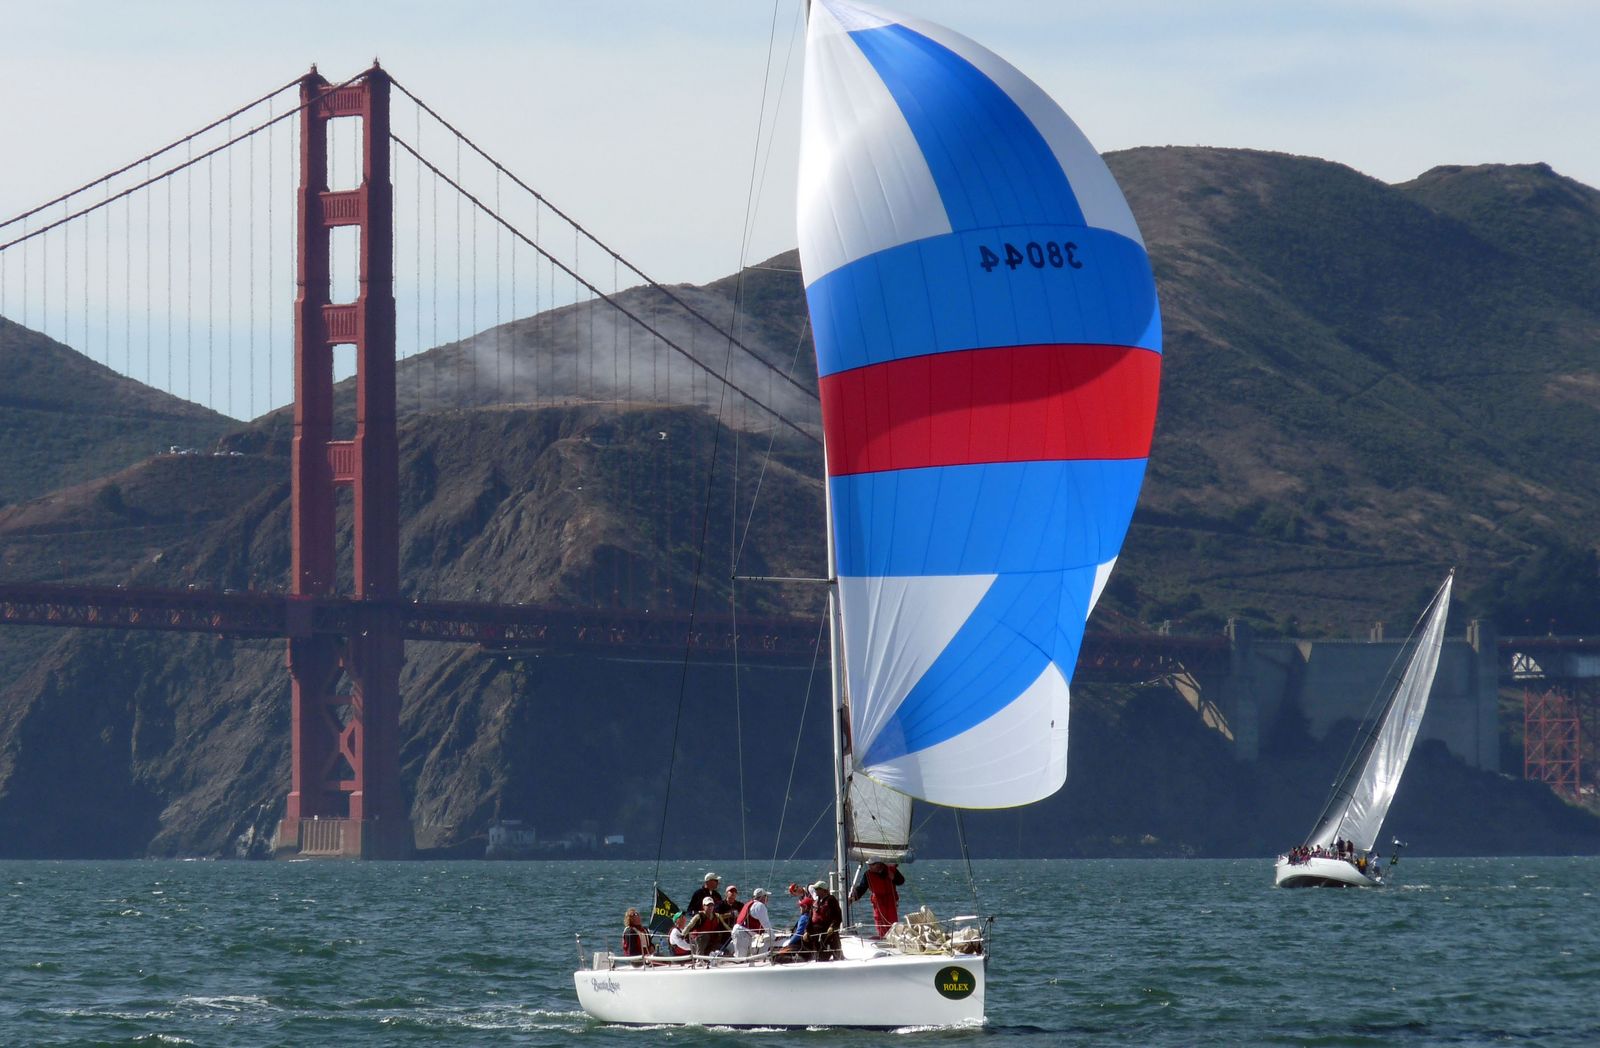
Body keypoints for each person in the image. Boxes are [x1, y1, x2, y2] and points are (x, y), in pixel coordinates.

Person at [849, 861, 906, 937]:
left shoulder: (891, 870)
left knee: (892, 919)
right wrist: (853, 897)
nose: (870, 867)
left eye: (872, 865)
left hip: (891, 899)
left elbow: (901, 881)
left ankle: (893, 937)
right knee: (879, 920)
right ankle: (882, 936)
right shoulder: (868, 874)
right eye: (869, 865)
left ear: (879, 864)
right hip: (878, 900)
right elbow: (862, 888)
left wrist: (894, 878)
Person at [773, 883, 814, 962]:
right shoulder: (805, 915)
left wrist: (789, 943)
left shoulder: (804, 918)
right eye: (795, 890)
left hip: (802, 945)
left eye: (797, 887)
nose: (798, 889)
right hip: (805, 943)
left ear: (805, 907)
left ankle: (798, 959)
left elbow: (799, 933)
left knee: (776, 957)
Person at [807, 880, 843, 962]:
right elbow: (810, 917)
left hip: (828, 932)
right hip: (817, 933)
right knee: (819, 956)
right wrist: (807, 931)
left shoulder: (831, 900)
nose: (815, 890)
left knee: (837, 954)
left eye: (817, 889)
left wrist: (832, 927)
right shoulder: (816, 901)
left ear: (823, 890)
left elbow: (837, 916)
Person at [731, 887, 772, 959]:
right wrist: (773, 937)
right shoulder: (760, 905)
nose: (767, 899)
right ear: (762, 897)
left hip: (743, 933)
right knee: (741, 958)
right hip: (742, 934)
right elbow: (766, 924)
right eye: (766, 896)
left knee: (745, 957)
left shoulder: (751, 904)